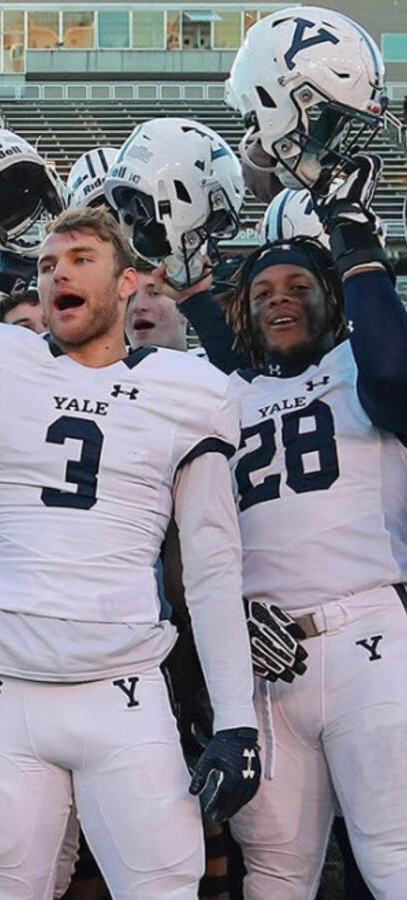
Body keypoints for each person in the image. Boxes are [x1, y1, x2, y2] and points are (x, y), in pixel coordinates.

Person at [0, 206, 260, 898]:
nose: (57, 270)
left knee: (163, 889)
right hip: (5, 686)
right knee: (5, 888)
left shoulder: (190, 390)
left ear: (127, 282)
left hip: (123, 686)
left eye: (81, 259)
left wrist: (237, 718)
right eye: (45, 263)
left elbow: (212, 569)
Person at [222, 155, 407, 896]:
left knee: (395, 861)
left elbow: (394, 375)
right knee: (271, 879)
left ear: (333, 301)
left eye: (299, 286)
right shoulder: (223, 395)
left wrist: (357, 247)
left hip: (367, 635)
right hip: (265, 666)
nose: (280, 300)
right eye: (264, 290)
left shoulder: (362, 371)